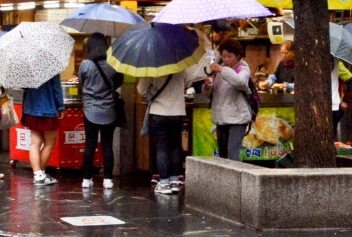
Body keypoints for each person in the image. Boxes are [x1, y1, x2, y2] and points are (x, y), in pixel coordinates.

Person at [140, 52, 210, 194]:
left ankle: (164, 183)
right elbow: (187, 82)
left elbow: (141, 89)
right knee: (175, 147)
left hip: (159, 112)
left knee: (161, 148)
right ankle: (174, 181)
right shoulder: (181, 67)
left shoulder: (153, 68)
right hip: (178, 112)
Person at [77, 33, 123, 191]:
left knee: (89, 145)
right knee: (107, 145)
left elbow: (81, 84)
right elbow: (118, 82)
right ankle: (108, 179)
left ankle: (86, 178)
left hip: (90, 110)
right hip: (109, 110)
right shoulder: (112, 64)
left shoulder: (85, 64)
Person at [206, 38, 252, 162]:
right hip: (221, 118)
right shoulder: (220, 69)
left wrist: (221, 70)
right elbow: (213, 92)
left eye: (230, 56)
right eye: (224, 56)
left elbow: (240, 82)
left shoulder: (243, 68)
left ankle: (237, 181)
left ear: (238, 56)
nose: (226, 60)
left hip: (237, 118)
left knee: (233, 153)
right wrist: (207, 86)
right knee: (223, 154)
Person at [20, 71, 63, 187]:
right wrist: (61, 107)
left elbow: (24, 87)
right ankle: (40, 174)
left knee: (35, 143)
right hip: (48, 108)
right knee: (49, 143)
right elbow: (57, 89)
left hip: (31, 108)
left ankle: (38, 174)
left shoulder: (29, 68)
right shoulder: (52, 68)